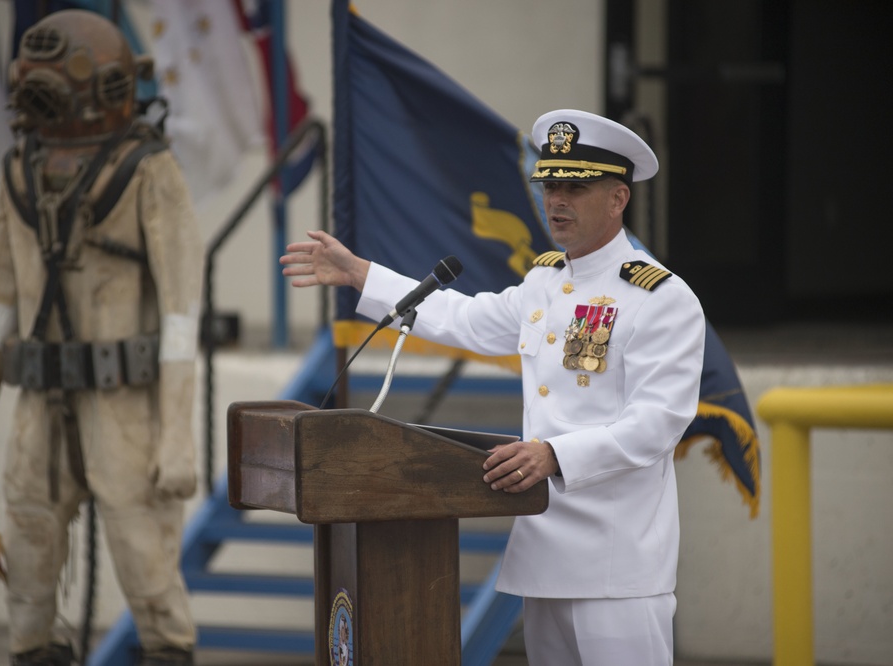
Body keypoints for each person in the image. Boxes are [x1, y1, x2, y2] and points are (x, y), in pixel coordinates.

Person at [280, 109, 705, 665]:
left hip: (617, 564)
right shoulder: (545, 282)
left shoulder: (660, 298)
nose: (556, 200)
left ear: (618, 198)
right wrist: (363, 274)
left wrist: (553, 454)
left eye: (574, 187)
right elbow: (464, 318)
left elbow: (658, 423)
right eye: (550, 185)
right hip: (547, 553)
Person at [0, 10, 201, 666]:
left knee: (147, 566)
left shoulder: (150, 173)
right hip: (40, 405)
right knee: (29, 567)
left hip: (125, 408)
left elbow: (180, 315)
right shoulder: (18, 173)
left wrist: (178, 436)